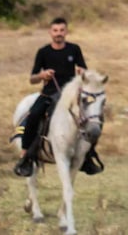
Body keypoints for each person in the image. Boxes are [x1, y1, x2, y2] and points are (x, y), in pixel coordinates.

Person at [14, 17, 102, 177]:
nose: (58, 34)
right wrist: (42, 75)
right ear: (50, 32)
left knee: (94, 118)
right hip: (49, 94)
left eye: (62, 30)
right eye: (55, 31)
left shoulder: (74, 49)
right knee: (33, 115)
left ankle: (88, 156)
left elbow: (84, 70)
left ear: (66, 32)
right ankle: (26, 155)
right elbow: (32, 79)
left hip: (70, 95)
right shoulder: (43, 52)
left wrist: (82, 72)